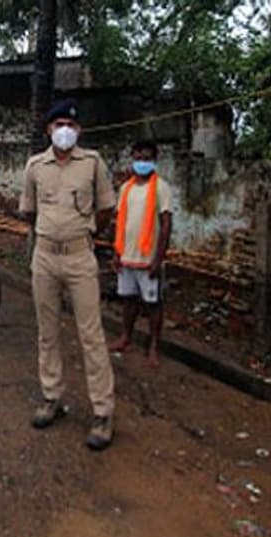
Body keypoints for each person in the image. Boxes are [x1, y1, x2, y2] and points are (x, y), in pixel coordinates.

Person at [19, 99, 117, 450]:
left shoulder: (92, 163)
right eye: (59, 124)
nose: (65, 130)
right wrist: (50, 234)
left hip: (79, 257)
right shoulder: (35, 166)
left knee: (91, 335)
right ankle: (51, 397)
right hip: (44, 256)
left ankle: (103, 413)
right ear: (48, 129)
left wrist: (84, 232)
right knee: (47, 332)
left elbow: (106, 208)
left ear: (79, 131)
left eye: (71, 125)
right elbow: (29, 212)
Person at [107, 140, 172, 368]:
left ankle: (154, 345)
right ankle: (126, 336)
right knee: (128, 300)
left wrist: (158, 258)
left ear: (154, 160)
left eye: (146, 158)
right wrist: (116, 253)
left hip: (148, 259)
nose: (141, 162)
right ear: (132, 159)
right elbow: (120, 222)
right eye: (138, 158)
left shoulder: (161, 188)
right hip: (126, 257)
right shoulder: (126, 189)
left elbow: (165, 224)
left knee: (153, 303)